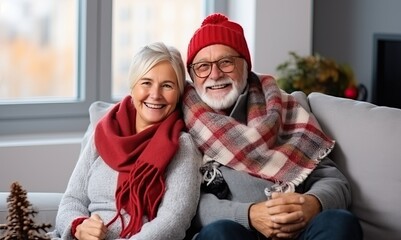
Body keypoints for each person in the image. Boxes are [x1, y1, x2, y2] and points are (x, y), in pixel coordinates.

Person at [182, 13, 363, 240]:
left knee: (340, 223)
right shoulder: (184, 123)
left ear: (245, 66)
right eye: (202, 66)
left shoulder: (286, 108)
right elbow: (185, 202)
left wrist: (311, 203)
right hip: (238, 230)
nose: (215, 74)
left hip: (298, 228)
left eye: (226, 62)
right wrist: (248, 214)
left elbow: (334, 181)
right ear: (192, 74)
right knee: (219, 234)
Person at [48, 42, 202, 240]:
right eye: (146, 83)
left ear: (179, 92)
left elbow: (173, 221)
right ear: (133, 86)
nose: (155, 95)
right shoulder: (103, 132)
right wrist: (79, 226)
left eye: (167, 86)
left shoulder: (182, 146)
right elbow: (72, 199)